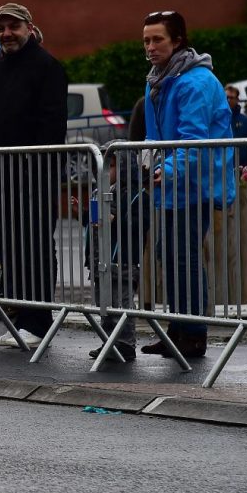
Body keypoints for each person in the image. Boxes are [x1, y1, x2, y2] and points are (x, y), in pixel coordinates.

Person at [0, 2, 68, 349]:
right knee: (9, 248)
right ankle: (20, 317)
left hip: (33, 176)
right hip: (0, 176)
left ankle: (38, 322)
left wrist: (33, 167)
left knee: (34, 247)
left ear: (29, 27)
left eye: (13, 27)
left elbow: (52, 125)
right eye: (1, 28)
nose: (7, 34)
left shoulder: (47, 66)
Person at [140, 10, 235, 359]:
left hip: (193, 186)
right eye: (146, 40)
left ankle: (193, 333)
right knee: (172, 255)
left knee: (184, 258)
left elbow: (194, 138)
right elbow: (156, 136)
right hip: (172, 184)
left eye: (157, 40)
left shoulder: (193, 82)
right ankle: (179, 328)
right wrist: (153, 164)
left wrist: (171, 167)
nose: (150, 47)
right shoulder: (160, 78)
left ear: (178, 41)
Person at [76, 146, 150, 361]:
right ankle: (108, 340)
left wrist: (116, 221)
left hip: (123, 260)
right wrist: (82, 213)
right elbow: (94, 223)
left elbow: (138, 223)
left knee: (122, 302)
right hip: (100, 260)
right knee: (104, 303)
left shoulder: (136, 195)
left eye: (111, 166)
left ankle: (125, 344)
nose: (105, 171)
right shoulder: (99, 192)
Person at [225, 85, 247, 166]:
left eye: (231, 97)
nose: (228, 100)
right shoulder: (217, 120)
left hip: (243, 167)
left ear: (237, 99)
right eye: (226, 97)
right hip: (224, 166)